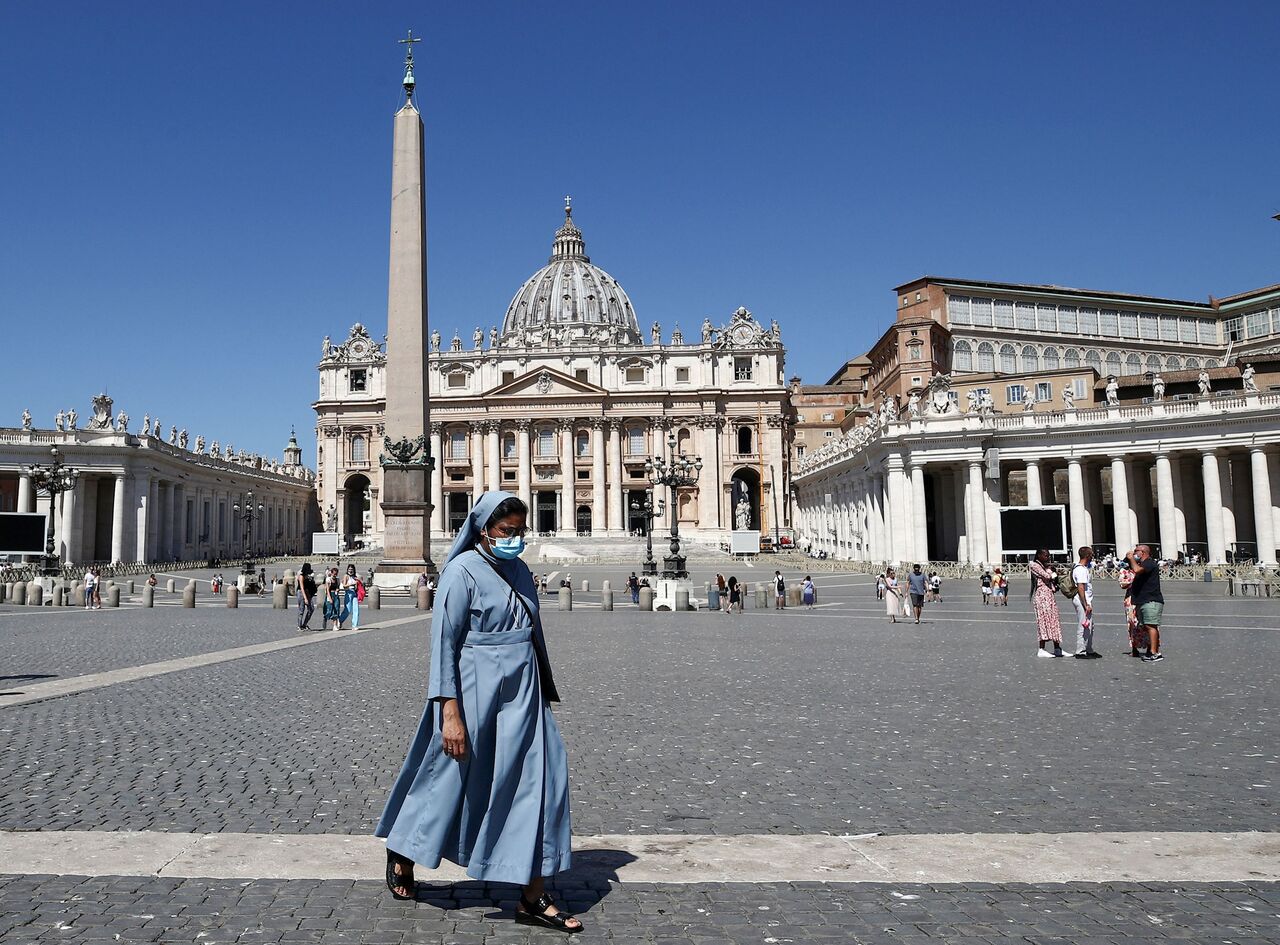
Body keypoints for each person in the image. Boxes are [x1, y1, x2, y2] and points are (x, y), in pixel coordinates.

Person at [376, 492, 580, 933]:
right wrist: (449, 712)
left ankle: (533, 892)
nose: (514, 539)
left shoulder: (521, 570)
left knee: (545, 781)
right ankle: (405, 848)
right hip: (473, 691)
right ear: (484, 529)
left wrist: (540, 687)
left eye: (519, 532)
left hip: (523, 693)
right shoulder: (460, 572)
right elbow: (443, 646)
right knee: (448, 778)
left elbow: (531, 634)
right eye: (507, 532)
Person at [1126, 544, 1165, 662]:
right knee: (1147, 625)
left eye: (1136, 551)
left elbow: (1137, 570)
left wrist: (1131, 559)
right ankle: (1151, 650)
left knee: (1151, 625)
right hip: (1143, 600)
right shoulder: (1143, 564)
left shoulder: (1149, 562)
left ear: (1142, 552)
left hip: (1151, 600)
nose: (1134, 553)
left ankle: (1154, 652)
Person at [1029, 549, 1065, 657]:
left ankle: (1057, 648)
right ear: (1039, 555)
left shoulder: (1045, 566)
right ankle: (1042, 649)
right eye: (1045, 555)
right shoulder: (1034, 565)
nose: (1047, 557)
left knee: (1054, 620)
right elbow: (1047, 576)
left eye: (1048, 555)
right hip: (1042, 596)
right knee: (1043, 621)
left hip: (1049, 595)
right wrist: (1052, 572)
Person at [1071, 546, 1100, 658]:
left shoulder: (1081, 568)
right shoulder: (1081, 570)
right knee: (1083, 625)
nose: (1092, 556)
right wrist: (1085, 604)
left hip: (1086, 600)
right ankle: (1080, 650)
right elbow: (1081, 587)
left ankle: (1089, 648)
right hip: (1082, 600)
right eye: (1091, 554)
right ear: (1087, 556)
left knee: (1089, 625)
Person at [1118, 561, 1146, 656]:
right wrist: (1133, 581)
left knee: (1145, 622)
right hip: (1130, 599)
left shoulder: (1143, 570)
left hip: (1143, 597)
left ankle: (1150, 646)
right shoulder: (1125, 571)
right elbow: (1123, 585)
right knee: (1132, 623)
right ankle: (1134, 647)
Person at [296, 563, 317, 631]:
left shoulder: (308, 576)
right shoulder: (301, 576)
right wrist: (305, 598)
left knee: (311, 608)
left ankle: (304, 624)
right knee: (301, 610)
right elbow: (302, 588)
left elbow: (309, 586)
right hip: (301, 593)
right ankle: (299, 626)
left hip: (307, 592)